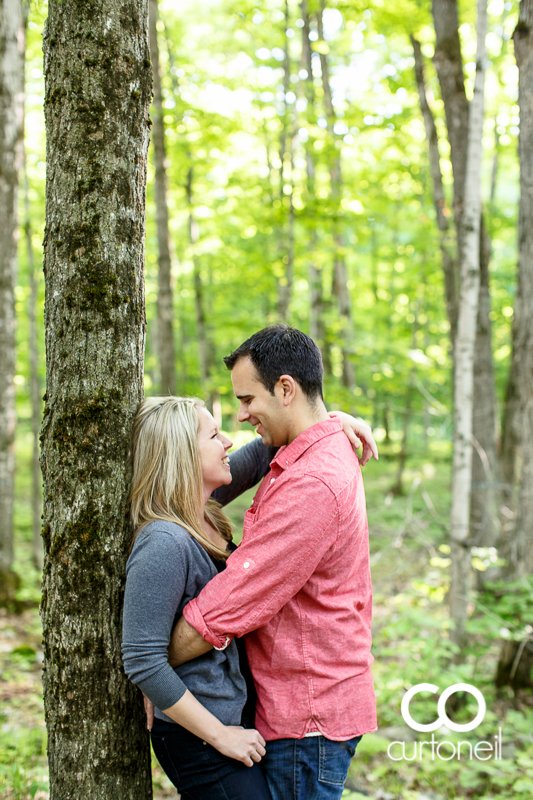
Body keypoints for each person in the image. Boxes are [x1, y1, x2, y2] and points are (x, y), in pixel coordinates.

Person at [122, 391, 377, 799]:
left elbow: (267, 449)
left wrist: (325, 420)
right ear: (182, 456)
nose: (228, 442)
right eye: (213, 436)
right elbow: (142, 659)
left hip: (231, 722)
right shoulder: (164, 541)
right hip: (204, 737)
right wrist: (220, 735)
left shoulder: (202, 512)